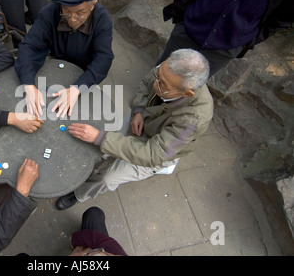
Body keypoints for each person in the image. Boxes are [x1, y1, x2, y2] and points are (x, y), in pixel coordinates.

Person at [56, 49, 213, 210]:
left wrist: (101, 137)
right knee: (98, 149)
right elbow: (146, 83)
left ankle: (79, 194)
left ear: (187, 94)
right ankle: (83, 170)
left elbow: (152, 154)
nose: (155, 83)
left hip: (158, 150)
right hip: (141, 119)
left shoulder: (194, 119)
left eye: (162, 84)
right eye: (158, 75)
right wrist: (139, 110)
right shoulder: (167, 71)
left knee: (107, 178)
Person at [158, 0, 294, 76]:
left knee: (182, 92)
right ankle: (141, 103)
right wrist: (182, 16)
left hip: (222, 51)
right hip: (188, 29)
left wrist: (245, 42)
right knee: (158, 76)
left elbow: (282, 18)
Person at [14, 0, 114, 119]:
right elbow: (29, 45)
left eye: (80, 13)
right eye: (67, 12)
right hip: (55, 59)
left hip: (84, 68)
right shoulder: (50, 12)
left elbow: (104, 58)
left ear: (93, 5)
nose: (73, 19)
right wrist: (28, 84)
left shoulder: (102, 19)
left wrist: (78, 88)